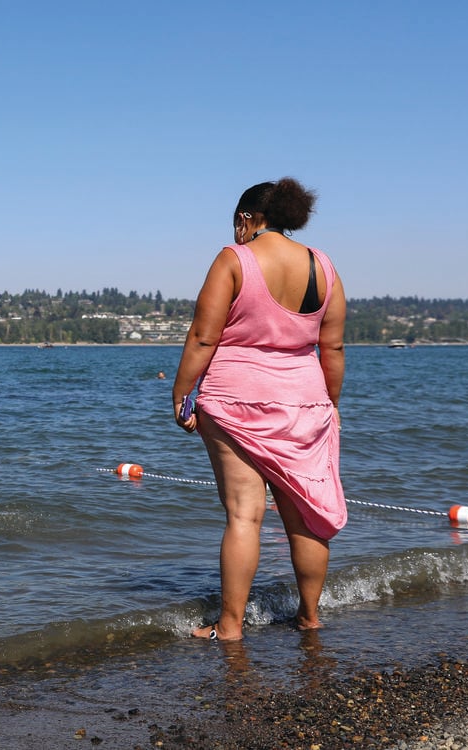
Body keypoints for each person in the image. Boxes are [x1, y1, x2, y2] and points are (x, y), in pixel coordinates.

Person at [171, 177, 346, 641]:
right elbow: (334, 347)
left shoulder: (235, 260)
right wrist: (330, 405)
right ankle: (309, 617)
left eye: (236, 223)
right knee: (305, 514)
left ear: (248, 218)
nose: (234, 233)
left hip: (235, 399)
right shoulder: (324, 266)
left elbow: (204, 336)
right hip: (306, 400)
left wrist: (182, 393)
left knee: (245, 515)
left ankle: (229, 627)